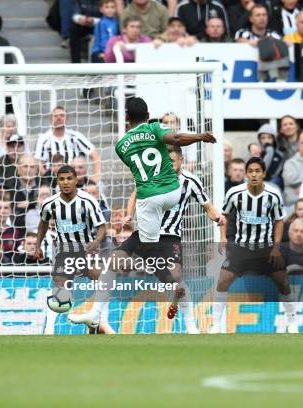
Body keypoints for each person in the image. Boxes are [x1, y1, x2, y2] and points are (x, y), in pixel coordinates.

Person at [122, 146, 226, 333]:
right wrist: (129, 215)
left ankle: (190, 326)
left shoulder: (191, 182)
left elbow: (208, 206)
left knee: (176, 277)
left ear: (181, 160)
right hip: (145, 234)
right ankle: (97, 317)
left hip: (170, 237)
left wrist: (218, 217)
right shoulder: (151, 175)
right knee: (115, 262)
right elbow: (135, 194)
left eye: (172, 161)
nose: (168, 165)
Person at [212, 157, 298, 334]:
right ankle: (216, 324)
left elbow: (279, 221)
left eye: (257, 171)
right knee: (223, 280)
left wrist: (276, 248)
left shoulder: (273, 195)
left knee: (283, 282)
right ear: (246, 173)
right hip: (241, 248)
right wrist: (223, 237)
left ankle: (292, 321)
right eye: (250, 171)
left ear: (264, 173)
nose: (253, 174)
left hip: (266, 248)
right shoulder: (235, 193)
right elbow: (225, 215)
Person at [115, 97, 215, 244]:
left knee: (149, 247)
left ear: (127, 118)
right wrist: (200, 136)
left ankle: (150, 258)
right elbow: (176, 138)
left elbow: (135, 167)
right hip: (173, 191)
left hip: (149, 197)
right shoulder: (156, 127)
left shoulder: (120, 145)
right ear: (148, 116)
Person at [35, 165, 108, 329]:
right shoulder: (50, 203)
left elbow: (102, 227)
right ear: (57, 181)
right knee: (60, 288)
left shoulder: (88, 201)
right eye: (62, 179)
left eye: (69, 178)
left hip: (85, 249)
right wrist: (38, 245)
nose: (66, 182)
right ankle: (50, 327)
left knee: (103, 277)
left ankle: (98, 318)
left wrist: (96, 242)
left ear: (76, 180)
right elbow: (43, 224)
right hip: (64, 251)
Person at [35, 106, 101, 184]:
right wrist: (48, 179)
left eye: (62, 116)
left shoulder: (75, 136)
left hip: (75, 180)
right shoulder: (43, 139)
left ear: (67, 119)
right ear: (50, 119)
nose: (59, 118)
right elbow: (39, 163)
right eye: (55, 116)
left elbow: (95, 154)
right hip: (53, 181)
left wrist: (96, 177)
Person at [257, 123, 284, 188]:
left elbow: (278, 170)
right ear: (260, 140)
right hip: (262, 178)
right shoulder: (259, 153)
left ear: (274, 139)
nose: (266, 140)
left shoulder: (279, 153)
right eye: (263, 138)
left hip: (275, 179)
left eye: (269, 138)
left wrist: (270, 151)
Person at [282, 131, 303, 209]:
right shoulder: (290, 163)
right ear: (298, 145)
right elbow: (290, 180)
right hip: (293, 206)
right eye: (302, 143)